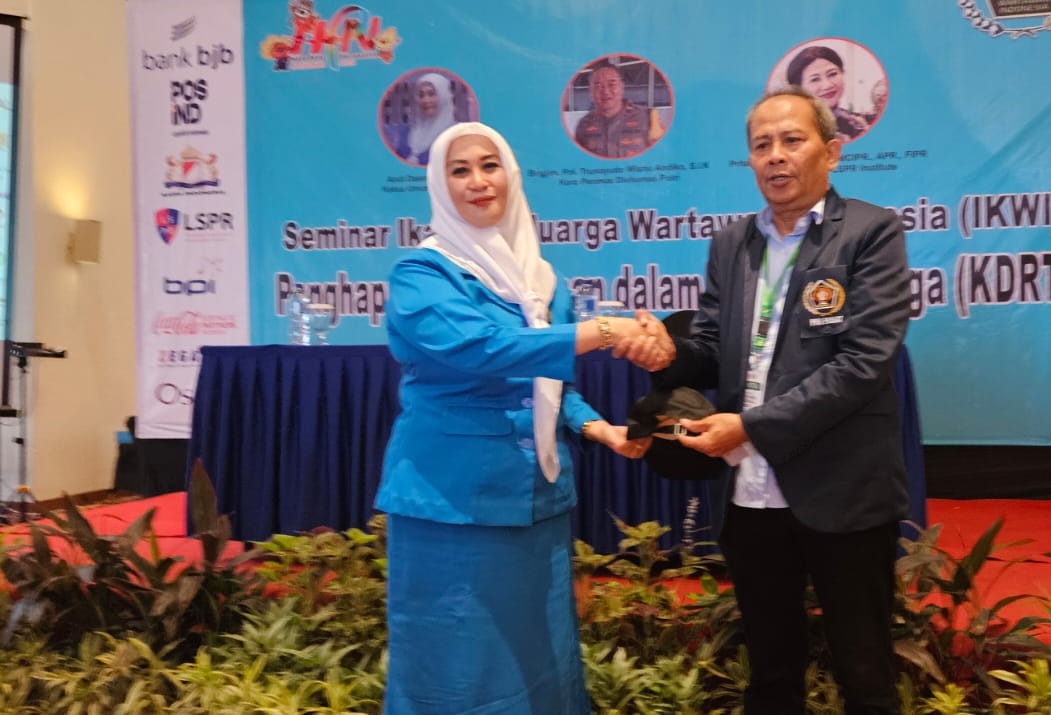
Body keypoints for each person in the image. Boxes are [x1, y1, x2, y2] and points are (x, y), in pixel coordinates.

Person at [619, 88, 912, 714]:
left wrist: (750, 427)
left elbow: (863, 364)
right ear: (750, 160)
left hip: (841, 487)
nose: (776, 155)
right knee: (772, 673)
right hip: (750, 493)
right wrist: (665, 353)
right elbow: (708, 350)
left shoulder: (871, 232)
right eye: (761, 145)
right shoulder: (732, 243)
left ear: (831, 151)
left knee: (865, 675)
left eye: (792, 140)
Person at [378, 122, 671, 714]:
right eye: (460, 170)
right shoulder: (421, 275)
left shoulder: (541, 281)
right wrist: (607, 329)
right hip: (454, 503)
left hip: (537, 499)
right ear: (439, 185)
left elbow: (549, 384)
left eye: (490, 166)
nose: (478, 181)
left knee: (542, 662)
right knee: (458, 669)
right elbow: (486, 349)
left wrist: (599, 429)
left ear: (511, 176)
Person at [785, 45, 879, 143]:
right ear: (798, 89)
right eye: (815, 79)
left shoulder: (861, 123)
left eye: (832, 74)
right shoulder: (790, 130)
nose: (828, 85)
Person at [572, 62, 666, 159]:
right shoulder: (583, 125)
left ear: (622, 87)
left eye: (612, 84)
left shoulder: (648, 117)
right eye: (598, 86)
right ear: (590, 91)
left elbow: (661, 157)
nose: (605, 91)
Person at [395, 72, 457, 165]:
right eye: (421, 95)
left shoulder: (455, 136)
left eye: (431, 94)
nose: (425, 100)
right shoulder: (406, 132)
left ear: (443, 97)